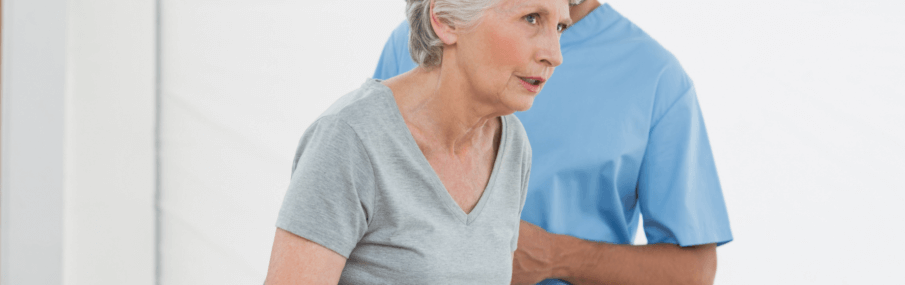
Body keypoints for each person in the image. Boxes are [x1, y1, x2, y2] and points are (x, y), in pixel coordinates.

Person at [373, 0, 733, 284]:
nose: (551, 54)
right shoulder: (428, 33)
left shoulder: (656, 76)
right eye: (532, 20)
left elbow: (694, 272)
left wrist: (553, 256)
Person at [265, 0, 573, 283]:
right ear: (446, 21)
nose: (555, 55)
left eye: (560, 27)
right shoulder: (350, 139)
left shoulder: (512, 143)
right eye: (531, 18)